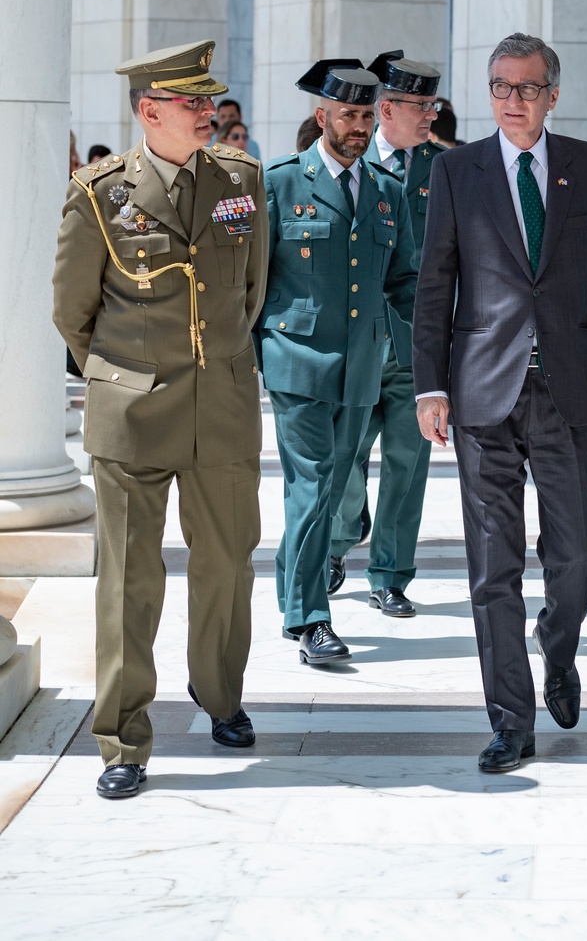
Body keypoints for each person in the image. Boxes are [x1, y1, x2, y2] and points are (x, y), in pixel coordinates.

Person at [413, 31, 587, 772]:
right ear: (489, 94)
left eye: (529, 88)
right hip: (482, 394)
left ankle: (559, 650)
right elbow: (434, 282)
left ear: (553, 95)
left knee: (577, 550)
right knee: (491, 564)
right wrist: (431, 386)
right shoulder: (457, 169)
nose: (515, 101)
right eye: (502, 88)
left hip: (568, 390)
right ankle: (510, 718)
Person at [52, 40, 268, 800]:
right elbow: (73, 314)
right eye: (192, 103)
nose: (209, 113)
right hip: (133, 414)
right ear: (150, 112)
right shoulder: (100, 192)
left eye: (210, 101)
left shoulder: (241, 180)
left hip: (224, 409)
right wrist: (123, 376)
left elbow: (251, 292)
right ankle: (122, 736)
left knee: (226, 567)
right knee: (129, 580)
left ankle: (220, 696)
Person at [258, 59, 418, 666]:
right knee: (315, 483)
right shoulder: (278, 183)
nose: (357, 126)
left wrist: (440, 348)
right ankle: (309, 619)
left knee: (328, 488)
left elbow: (404, 282)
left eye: (365, 115)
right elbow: (252, 280)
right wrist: (258, 351)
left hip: (361, 365)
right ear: (321, 117)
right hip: (296, 359)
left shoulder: (387, 191)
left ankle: (295, 596)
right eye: (346, 114)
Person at [325, 52, 444, 616]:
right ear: (386, 108)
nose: (431, 116)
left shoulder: (447, 169)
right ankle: (342, 533)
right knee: (343, 459)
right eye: (421, 106)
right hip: (358, 342)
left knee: (407, 462)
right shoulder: (345, 161)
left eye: (433, 105)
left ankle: (390, 574)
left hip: (420, 345)